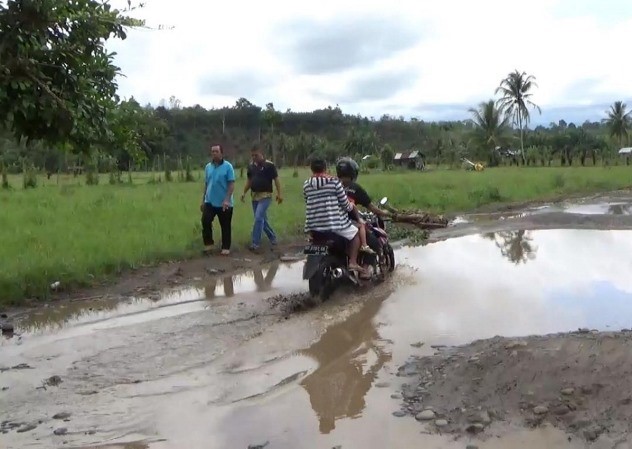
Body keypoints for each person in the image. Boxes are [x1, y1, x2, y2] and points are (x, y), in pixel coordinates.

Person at [303, 156, 365, 275]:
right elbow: (345, 204)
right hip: (333, 226)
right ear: (325, 168)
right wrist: (352, 205)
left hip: (313, 226)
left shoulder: (306, 184)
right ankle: (352, 262)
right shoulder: (334, 182)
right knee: (356, 234)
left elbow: (308, 201)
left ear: (311, 169)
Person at [335, 157, 390, 254]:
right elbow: (371, 207)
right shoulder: (355, 188)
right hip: (347, 223)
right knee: (372, 242)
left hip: (330, 223)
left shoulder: (332, 185)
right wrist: (384, 213)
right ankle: (364, 266)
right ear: (353, 172)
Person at [240, 144, 283, 252]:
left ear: (262, 154)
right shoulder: (251, 166)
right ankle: (273, 238)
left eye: (256, 155)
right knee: (262, 220)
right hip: (254, 196)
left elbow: (276, 180)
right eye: (252, 156)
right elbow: (249, 181)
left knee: (258, 217)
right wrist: (244, 192)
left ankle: (255, 243)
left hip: (266, 195)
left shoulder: (269, 165)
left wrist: (279, 193)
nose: (254, 157)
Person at [200, 144, 235, 255]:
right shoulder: (208, 167)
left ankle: (225, 247)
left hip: (224, 202)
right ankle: (208, 244)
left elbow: (231, 184)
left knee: (225, 225)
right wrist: (203, 200)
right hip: (210, 201)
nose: (214, 153)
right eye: (212, 151)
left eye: (216, 151)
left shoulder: (228, 167)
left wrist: (227, 199)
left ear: (221, 153)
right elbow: (206, 184)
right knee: (205, 220)